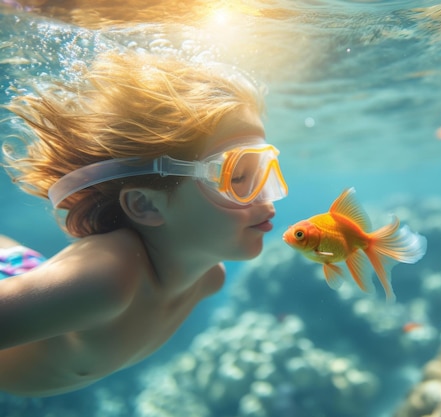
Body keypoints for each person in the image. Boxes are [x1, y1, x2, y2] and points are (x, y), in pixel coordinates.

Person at [0, 50, 288, 397]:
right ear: (145, 204)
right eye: (238, 177)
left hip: (29, 278)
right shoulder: (106, 280)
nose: (268, 198)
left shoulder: (209, 278)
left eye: (265, 172)